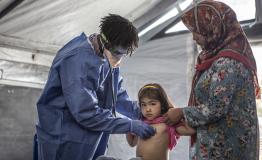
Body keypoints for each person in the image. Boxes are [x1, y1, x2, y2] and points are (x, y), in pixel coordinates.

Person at [35, 14, 156, 160]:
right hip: (62, 139)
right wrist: (129, 125)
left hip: (90, 139)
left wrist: (143, 111)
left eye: (123, 54)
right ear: (106, 42)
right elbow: (86, 113)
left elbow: (115, 96)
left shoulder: (106, 56)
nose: (119, 59)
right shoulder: (77, 60)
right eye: (118, 53)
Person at [164, 0, 260, 160]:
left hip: (227, 148)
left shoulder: (228, 63)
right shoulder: (217, 57)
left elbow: (216, 108)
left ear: (213, 28)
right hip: (221, 144)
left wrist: (182, 112)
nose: (194, 37)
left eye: (197, 31)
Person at [97, 83, 195, 160]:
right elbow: (132, 143)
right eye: (143, 105)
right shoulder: (141, 123)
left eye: (152, 104)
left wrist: (177, 112)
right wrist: (129, 127)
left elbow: (191, 130)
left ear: (163, 105)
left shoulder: (167, 123)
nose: (147, 109)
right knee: (102, 158)